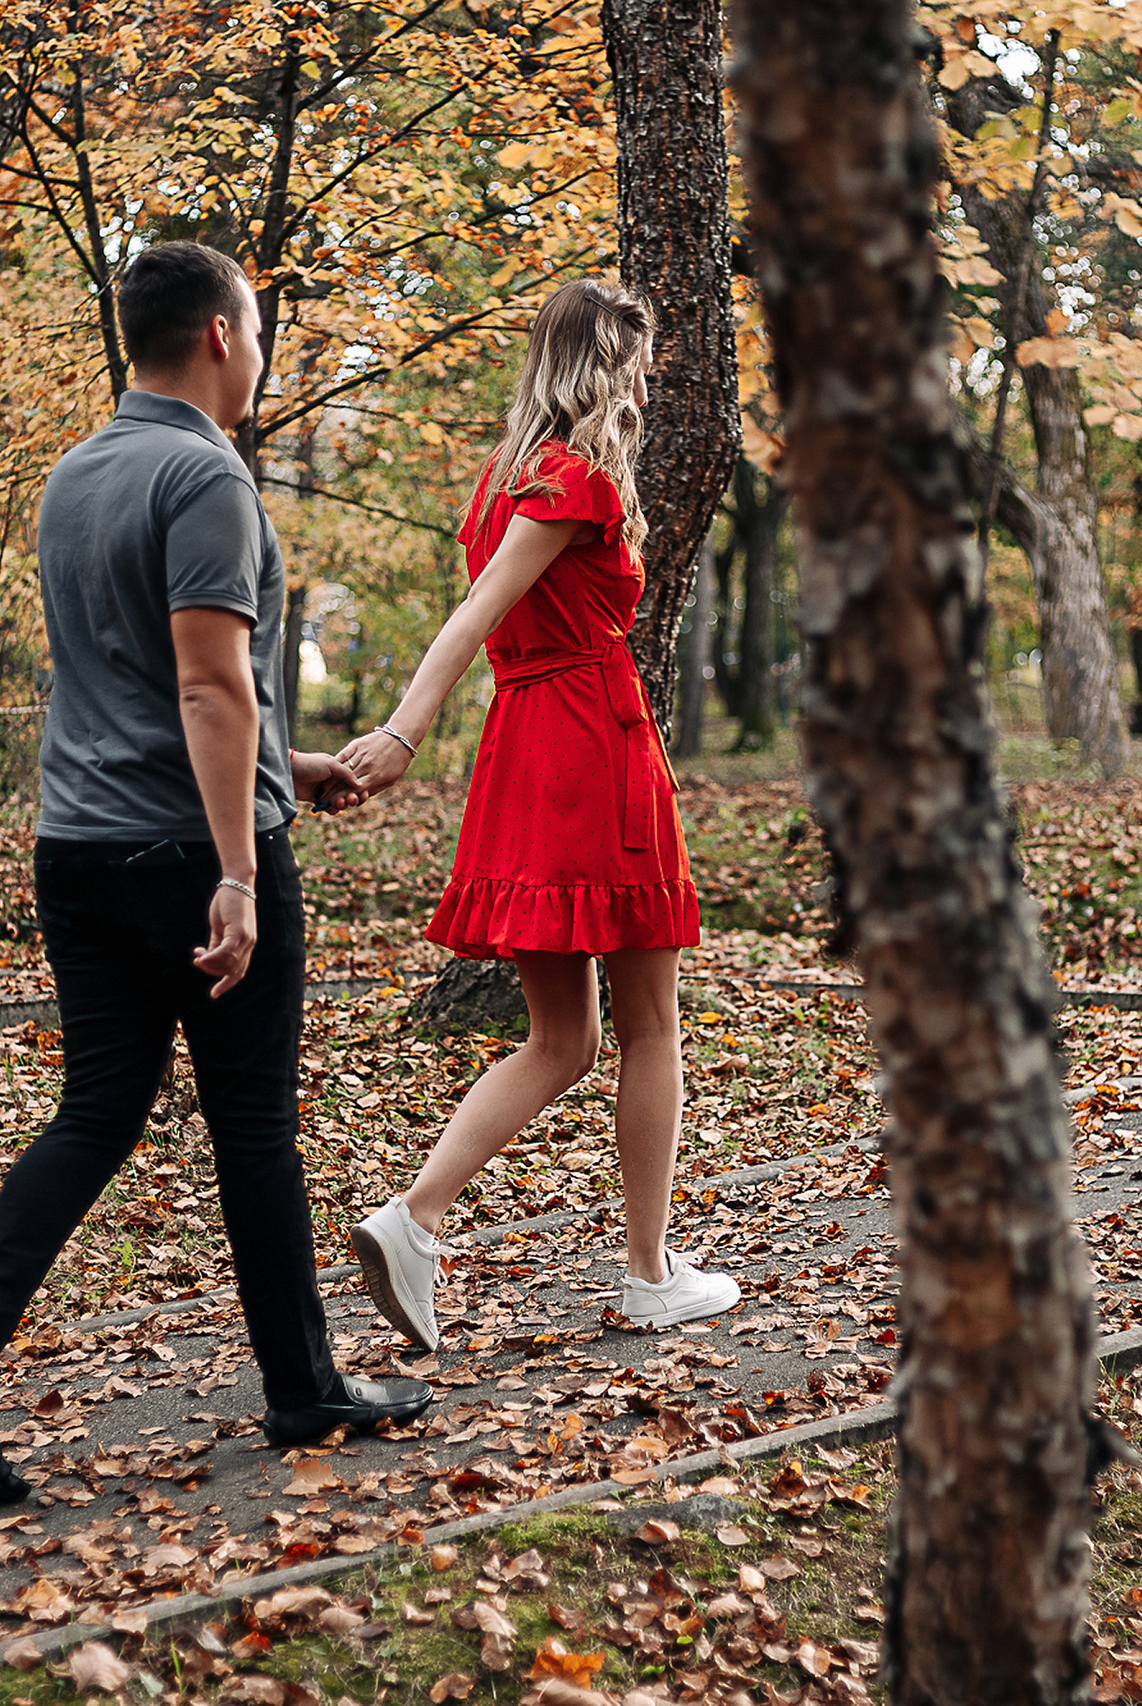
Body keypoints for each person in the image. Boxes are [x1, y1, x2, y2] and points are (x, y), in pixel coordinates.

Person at [0, 242, 430, 1502]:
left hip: (76, 846)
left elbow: (151, 681)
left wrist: (283, 765)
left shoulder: (75, 474)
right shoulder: (207, 477)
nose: (259, 349)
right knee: (252, 1129)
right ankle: (303, 1387)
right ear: (217, 336)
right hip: (189, 857)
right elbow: (201, 682)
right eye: (254, 326)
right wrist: (241, 868)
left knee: (98, 1109)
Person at [335, 279, 740, 1354]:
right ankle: (650, 1273)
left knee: (562, 1038)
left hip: (526, 747)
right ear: (607, 365)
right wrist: (403, 732)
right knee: (650, 1025)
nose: (652, 381)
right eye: (641, 361)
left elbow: (484, 606)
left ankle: (415, 1218)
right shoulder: (577, 482)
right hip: (592, 748)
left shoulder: (502, 480)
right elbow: (475, 613)